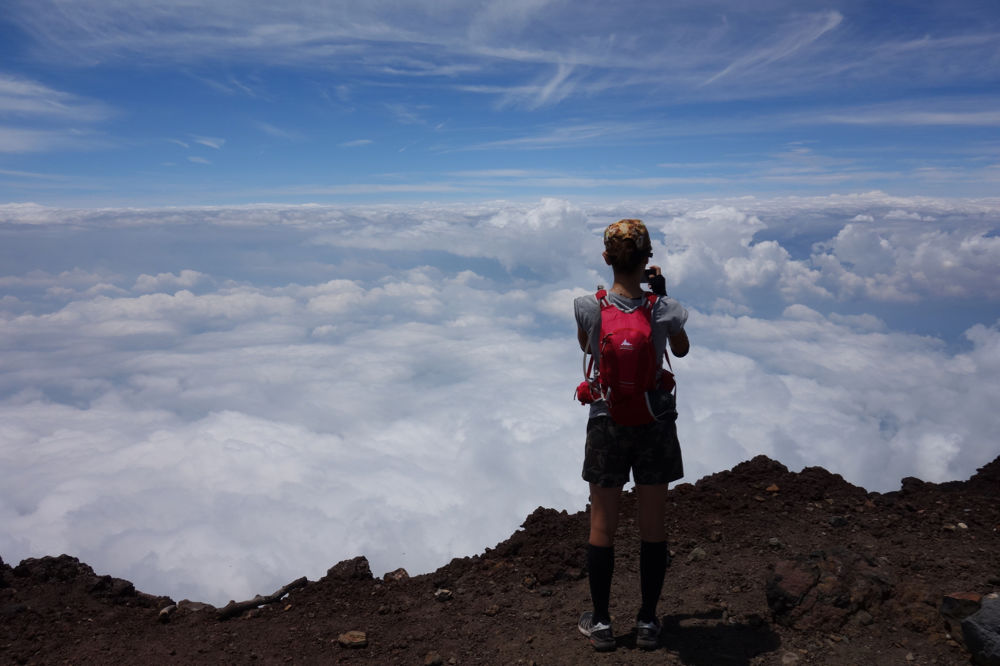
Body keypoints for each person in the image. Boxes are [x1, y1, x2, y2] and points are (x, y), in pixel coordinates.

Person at [573, 218, 689, 652]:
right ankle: (647, 622)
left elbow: (588, 348)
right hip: (654, 422)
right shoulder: (664, 307)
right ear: (647, 260)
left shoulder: (587, 305)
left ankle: (602, 623)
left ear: (606, 259)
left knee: (602, 526)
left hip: (607, 422)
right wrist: (659, 297)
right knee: (652, 526)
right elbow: (680, 349)